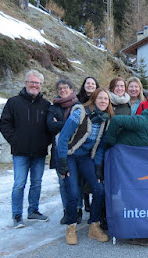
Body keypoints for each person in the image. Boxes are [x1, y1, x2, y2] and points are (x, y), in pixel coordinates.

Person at [106, 101, 148, 246]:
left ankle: (136, 230)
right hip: (122, 163)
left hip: (132, 167)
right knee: (129, 197)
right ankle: (132, 233)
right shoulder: (142, 121)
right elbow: (117, 120)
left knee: (133, 197)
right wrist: (111, 142)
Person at [56, 88, 113, 245]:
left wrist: (98, 167)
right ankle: (71, 226)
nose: (103, 101)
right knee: (73, 192)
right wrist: (62, 162)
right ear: (94, 99)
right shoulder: (80, 113)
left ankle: (94, 226)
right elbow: (63, 138)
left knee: (99, 189)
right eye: (100, 98)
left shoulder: (105, 119)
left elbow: (100, 146)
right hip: (69, 155)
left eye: (106, 99)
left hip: (86, 157)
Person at [0, 69, 51, 228]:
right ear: (25, 83)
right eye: (32, 82)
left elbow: (51, 127)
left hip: (39, 152)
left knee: (36, 183)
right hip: (20, 152)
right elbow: (4, 124)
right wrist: (15, 141)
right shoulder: (13, 102)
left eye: (38, 83)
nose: (35, 85)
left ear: (41, 85)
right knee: (19, 183)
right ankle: (17, 215)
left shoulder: (46, 105)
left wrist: (45, 142)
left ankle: (33, 211)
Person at [46, 79, 81, 225]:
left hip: (77, 150)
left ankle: (78, 209)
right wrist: (68, 125)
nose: (62, 90)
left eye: (65, 87)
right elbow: (50, 126)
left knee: (77, 182)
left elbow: (80, 126)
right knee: (63, 182)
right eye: (60, 88)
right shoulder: (53, 107)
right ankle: (67, 211)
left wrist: (60, 125)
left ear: (72, 89)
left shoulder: (78, 106)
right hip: (59, 151)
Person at [77, 76, 99, 212]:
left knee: (92, 175)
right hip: (81, 143)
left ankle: (91, 201)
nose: (90, 85)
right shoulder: (77, 100)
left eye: (92, 83)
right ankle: (84, 203)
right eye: (88, 83)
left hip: (94, 142)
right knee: (81, 177)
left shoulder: (99, 100)